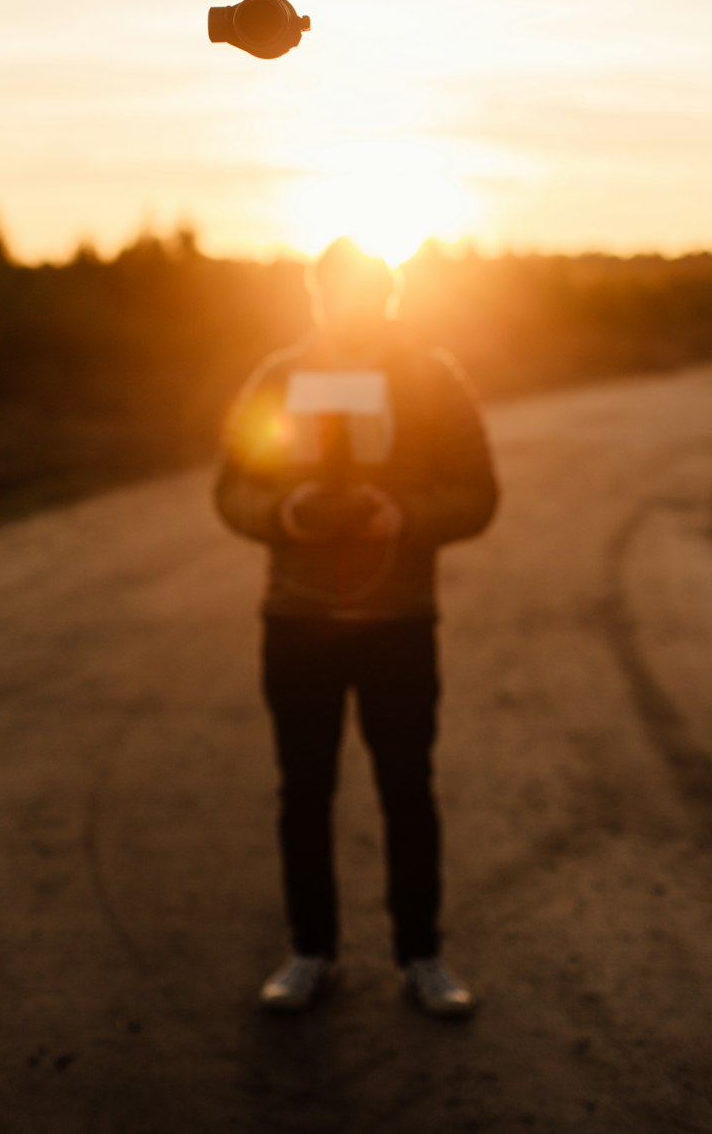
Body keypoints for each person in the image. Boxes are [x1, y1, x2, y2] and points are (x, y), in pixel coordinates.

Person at [213, 237, 500, 1017]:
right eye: (332, 292)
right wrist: (284, 511)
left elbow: (479, 494)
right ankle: (310, 952)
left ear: (388, 296)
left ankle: (422, 956)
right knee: (303, 792)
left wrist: (402, 514)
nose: (347, 307)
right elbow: (233, 485)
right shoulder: (278, 377)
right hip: (297, 619)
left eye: (363, 293)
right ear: (316, 296)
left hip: (399, 620)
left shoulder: (434, 380)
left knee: (407, 790)